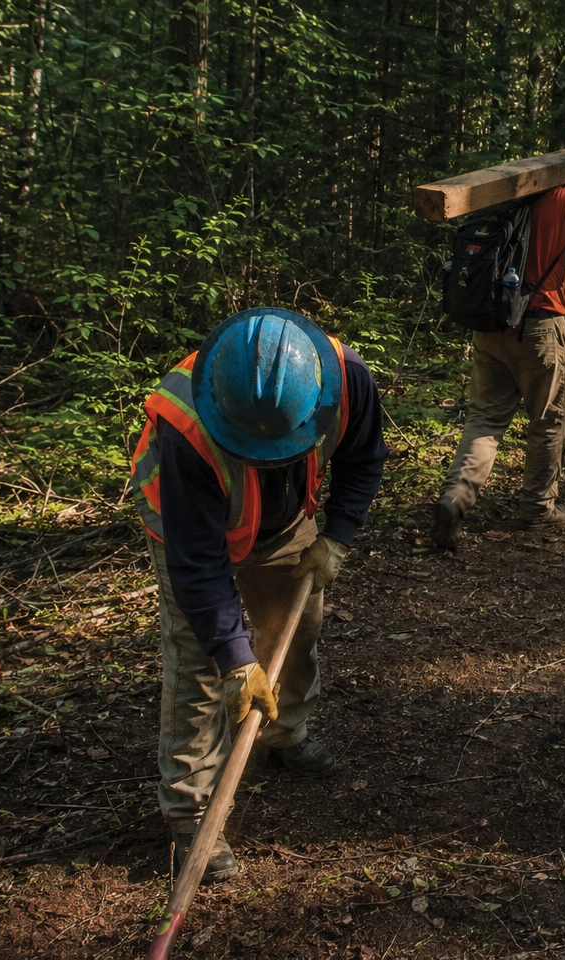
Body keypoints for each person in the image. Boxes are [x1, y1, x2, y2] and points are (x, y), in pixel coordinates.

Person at [131, 307, 388, 882]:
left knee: (296, 630)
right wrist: (233, 655)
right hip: (191, 527)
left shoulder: (346, 379)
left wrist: (338, 536)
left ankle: (284, 731)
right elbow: (198, 565)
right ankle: (190, 812)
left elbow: (364, 458)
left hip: (285, 520)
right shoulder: (185, 424)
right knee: (200, 664)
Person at [430, 113, 565, 551]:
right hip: (540, 329)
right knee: (547, 420)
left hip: (491, 326)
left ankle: (455, 499)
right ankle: (539, 509)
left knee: (485, 419)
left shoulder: (507, 194)